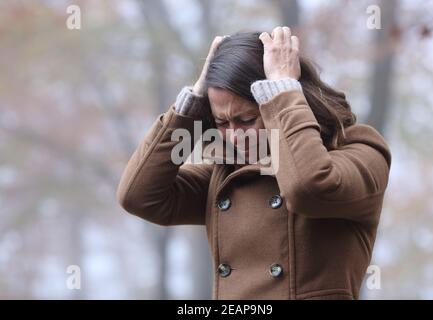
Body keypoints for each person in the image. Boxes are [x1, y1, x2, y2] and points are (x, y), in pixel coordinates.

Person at [117, 26, 392, 300]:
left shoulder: (361, 150)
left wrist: (283, 91)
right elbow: (139, 196)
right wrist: (192, 106)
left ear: (277, 100)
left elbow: (308, 188)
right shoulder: (227, 173)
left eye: (247, 120)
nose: (235, 137)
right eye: (222, 123)